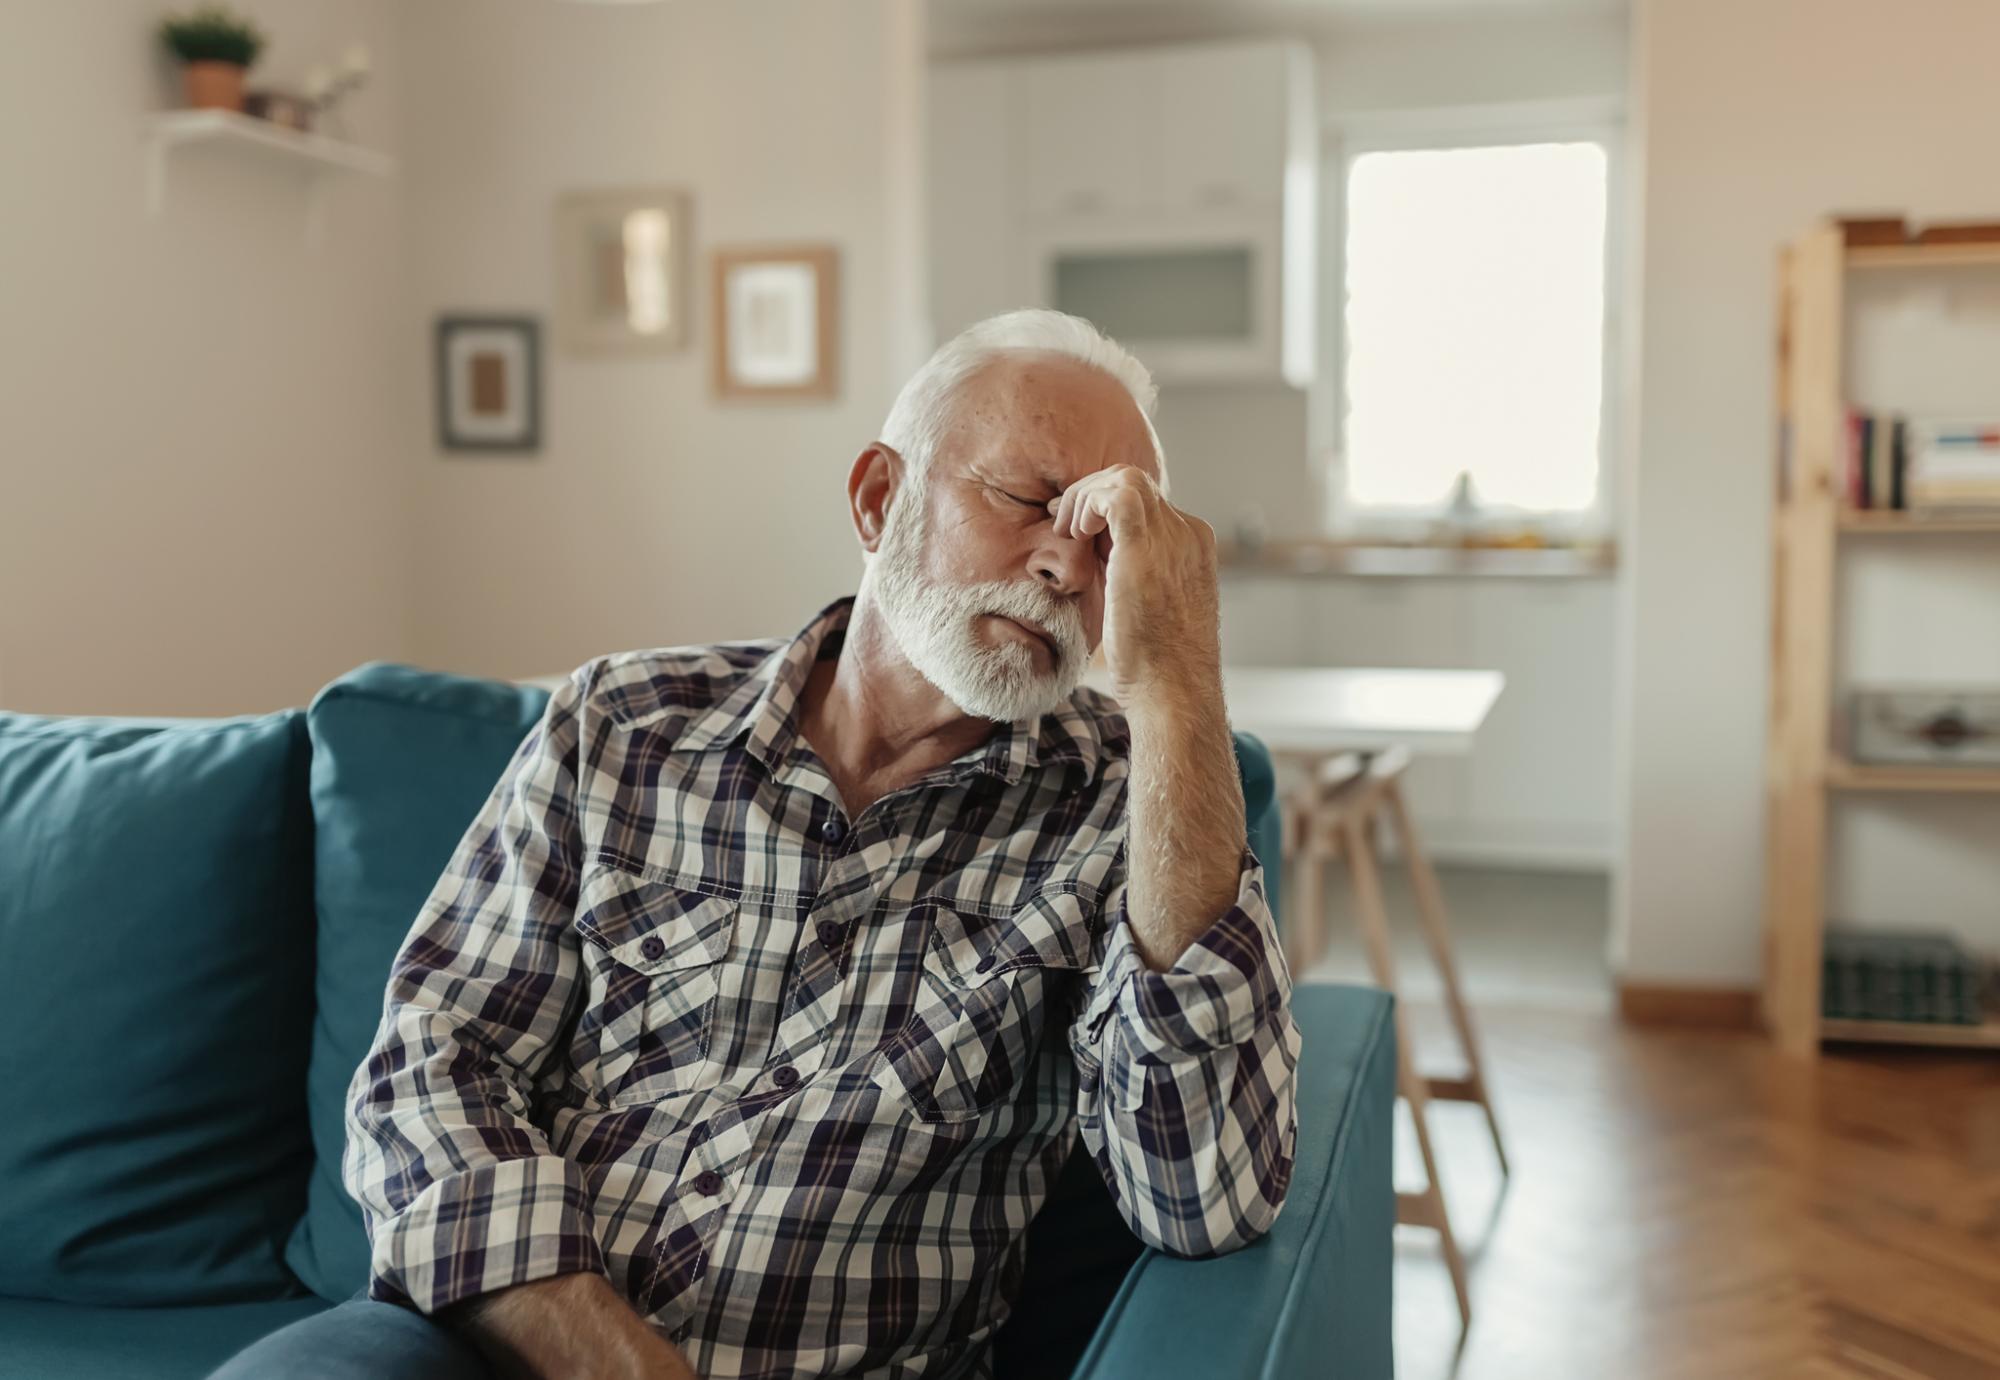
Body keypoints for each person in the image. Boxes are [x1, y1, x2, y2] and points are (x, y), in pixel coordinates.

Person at [211, 308, 1299, 1380]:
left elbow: (1204, 1198)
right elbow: (430, 1071)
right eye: (1025, 500)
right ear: (880, 500)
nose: (1066, 566)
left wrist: (1177, 687)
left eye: (1110, 544)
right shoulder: (624, 721)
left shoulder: (1121, 810)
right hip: (486, 1346)